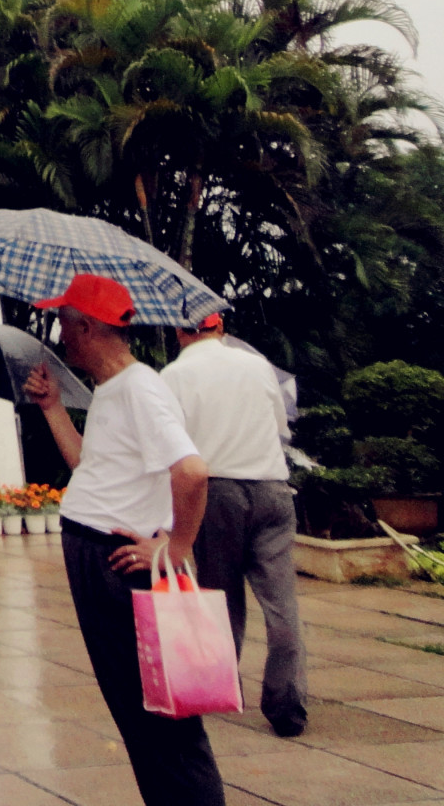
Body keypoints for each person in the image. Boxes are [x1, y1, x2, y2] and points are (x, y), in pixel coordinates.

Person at [25, 273, 224, 806]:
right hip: (98, 560)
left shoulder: (140, 389)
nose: (59, 337)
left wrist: (176, 548)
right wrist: (52, 408)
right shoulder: (114, 389)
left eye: (63, 325)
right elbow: (90, 467)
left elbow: (193, 471)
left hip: (120, 569)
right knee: (140, 716)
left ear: (86, 327)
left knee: (165, 722)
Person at [164, 312, 308, 737]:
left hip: (218, 491)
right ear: (220, 327)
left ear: (179, 331)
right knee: (283, 607)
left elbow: (174, 449)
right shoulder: (256, 365)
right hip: (272, 489)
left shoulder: (173, 375)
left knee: (223, 600)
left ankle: (217, 688)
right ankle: (288, 708)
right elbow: (282, 427)